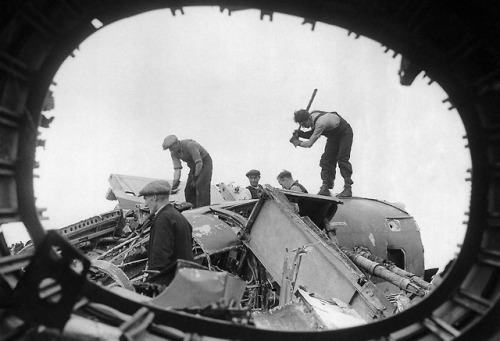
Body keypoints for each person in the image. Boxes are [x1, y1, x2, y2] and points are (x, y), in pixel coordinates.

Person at [290, 109, 354, 197]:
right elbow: (314, 132)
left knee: (342, 159)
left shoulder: (321, 123)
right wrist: (300, 134)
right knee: (326, 160)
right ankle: (325, 187)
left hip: (344, 133)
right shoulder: (313, 115)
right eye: (301, 125)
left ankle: (348, 188)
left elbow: (309, 144)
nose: (304, 127)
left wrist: (297, 142)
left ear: (309, 118)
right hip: (333, 135)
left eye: (304, 124)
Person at [138, 179, 194, 272]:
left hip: (168, 281)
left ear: (154, 197)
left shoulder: (163, 218)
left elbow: (159, 260)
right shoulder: (180, 217)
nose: (145, 204)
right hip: (183, 278)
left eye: (145, 198)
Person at [162, 135, 213, 208]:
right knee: (188, 190)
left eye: (171, 147)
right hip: (193, 166)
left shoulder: (190, 145)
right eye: (169, 148)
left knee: (200, 185)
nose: (171, 150)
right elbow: (177, 169)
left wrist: (195, 179)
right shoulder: (173, 153)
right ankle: (192, 210)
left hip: (204, 163)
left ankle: (203, 210)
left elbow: (199, 163)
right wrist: (175, 185)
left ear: (176, 143)